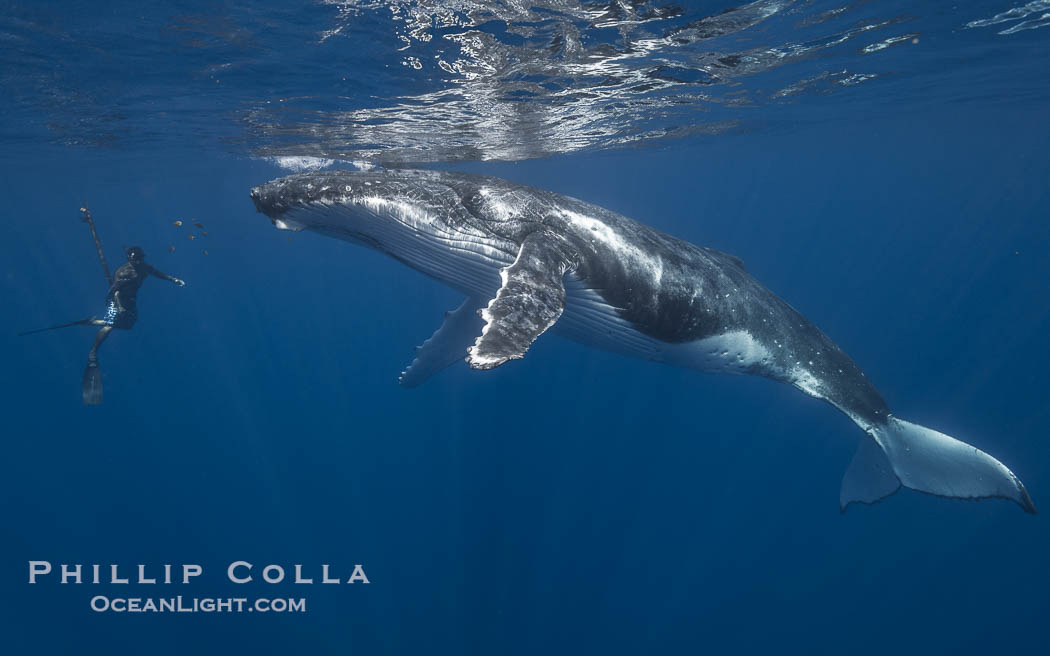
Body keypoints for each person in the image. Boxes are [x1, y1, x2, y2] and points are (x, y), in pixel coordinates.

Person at [81, 246, 185, 404]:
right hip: (116, 301)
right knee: (111, 325)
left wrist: (173, 279)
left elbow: (157, 273)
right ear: (130, 259)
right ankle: (93, 352)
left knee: (128, 325)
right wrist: (119, 307)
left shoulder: (144, 267)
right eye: (136, 259)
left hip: (130, 301)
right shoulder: (123, 272)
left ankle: (94, 321)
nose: (139, 261)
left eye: (140, 259)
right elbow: (115, 291)